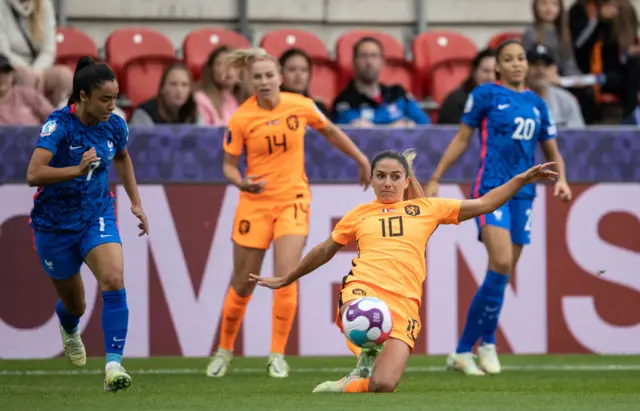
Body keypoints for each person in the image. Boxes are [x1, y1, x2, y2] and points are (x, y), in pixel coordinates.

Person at [250, 149, 560, 393]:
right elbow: (324, 250)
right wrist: (288, 277)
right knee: (359, 312)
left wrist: (520, 180)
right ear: (371, 179)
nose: (387, 183)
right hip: (363, 289)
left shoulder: (427, 209)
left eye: (395, 176)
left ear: (406, 179)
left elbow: (485, 203)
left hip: (404, 304)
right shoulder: (359, 214)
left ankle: (351, 383)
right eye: (380, 176)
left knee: (384, 385)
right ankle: (366, 352)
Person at [206, 48, 372, 379]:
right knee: (243, 282)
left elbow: (331, 131)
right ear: (249, 81)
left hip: (294, 200)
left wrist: (361, 159)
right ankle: (224, 350)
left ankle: (277, 355)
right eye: (258, 77)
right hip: (255, 203)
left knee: (286, 276)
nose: (265, 81)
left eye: (270, 75)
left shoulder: (301, 105)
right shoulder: (241, 118)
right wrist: (241, 182)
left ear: (280, 78)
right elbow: (227, 166)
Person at [424, 40, 572, 376]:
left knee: (501, 273)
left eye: (521, 58)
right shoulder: (485, 96)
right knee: (502, 261)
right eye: (510, 59)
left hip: (524, 196)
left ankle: (474, 347)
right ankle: (471, 348)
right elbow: (462, 138)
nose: (518, 64)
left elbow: (552, 150)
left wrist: (561, 180)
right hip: (490, 189)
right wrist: (436, 176)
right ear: (498, 67)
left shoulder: (538, 104)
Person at [26, 56, 149, 391]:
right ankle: (68, 327)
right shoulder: (58, 126)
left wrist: (135, 202)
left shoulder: (115, 125)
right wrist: (76, 171)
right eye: (105, 99)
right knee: (75, 305)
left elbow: (122, 157)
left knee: (113, 279)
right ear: (82, 97)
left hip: (96, 215)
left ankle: (113, 367)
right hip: (54, 225)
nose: (113, 105)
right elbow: (33, 174)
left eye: (115, 97)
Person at [332, 37, 431, 126]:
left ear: (382, 63)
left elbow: (425, 124)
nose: (369, 62)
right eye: (363, 56)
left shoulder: (398, 94)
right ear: (354, 62)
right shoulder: (344, 102)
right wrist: (391, 129)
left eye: (374, 56)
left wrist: (407, 123)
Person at [0, 0, 73, 106]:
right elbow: (3, 51)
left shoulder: (45, 4)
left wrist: (36, 72)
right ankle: (31, 119)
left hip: (39, 67)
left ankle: (59, 117)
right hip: (9, 66)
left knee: (64, 77)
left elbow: (48, 50)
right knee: (24, 78)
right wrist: (27, 71)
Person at [527, 44, 585, 128]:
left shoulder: (566, 99)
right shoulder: (515, 100)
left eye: (546, 65)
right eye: (535, 64)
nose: (540, 70)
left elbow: (577, 135)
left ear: (555, 69)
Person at [129, 63, 200, 125]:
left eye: (184, 85)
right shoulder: (145, 113)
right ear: (162, 88)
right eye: (173, 84)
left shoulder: (195, 113)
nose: (179, 90)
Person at [438, 48, 496, 124]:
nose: (491, 77)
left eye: (496, 72)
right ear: (474, 72)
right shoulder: (456, 101)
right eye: (486, 71)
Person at [195, 45, 249, 126]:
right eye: (220, 64)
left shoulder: (247, 100)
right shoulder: (201, 99)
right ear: (211, 70)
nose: (227, 69)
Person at [278, 48, 331, 118]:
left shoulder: (318, 108)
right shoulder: (272, 106)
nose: (298, 75)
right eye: (292, 69)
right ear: (280, 73)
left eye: (304, 70)